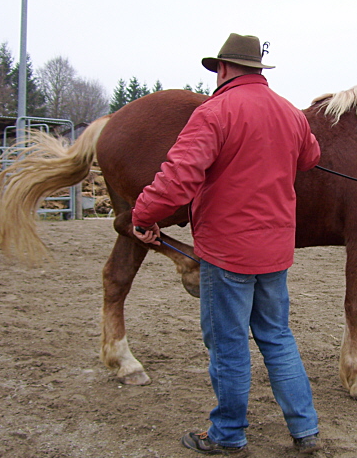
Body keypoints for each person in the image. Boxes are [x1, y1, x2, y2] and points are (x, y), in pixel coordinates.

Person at [132, 33, 321, 456]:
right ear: (257, 69)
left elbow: (177, 178)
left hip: (227, 251)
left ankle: (228, 435)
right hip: (274, 250)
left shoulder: (213, 111)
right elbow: (310, 156)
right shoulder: (291, 113)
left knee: (229, 342)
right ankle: (305, 429)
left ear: (221, 68)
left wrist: (142, 215)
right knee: (277, 336)